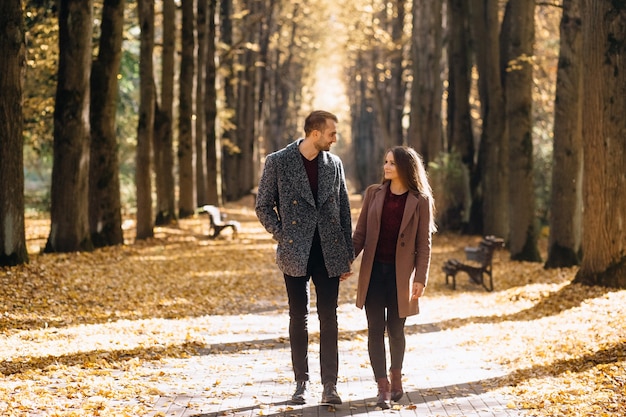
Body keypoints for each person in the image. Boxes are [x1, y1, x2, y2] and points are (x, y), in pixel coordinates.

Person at [255, 110, 354, 405]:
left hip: (329, 252)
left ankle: (330, 385)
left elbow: (344, 210)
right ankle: (301, 383)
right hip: (294, 252)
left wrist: (346, 255)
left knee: (330, 318)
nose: (335, 139)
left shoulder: (334, 164)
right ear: (314, 133)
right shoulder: (278, 162)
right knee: (299, 318)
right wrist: (283, 234)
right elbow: (263, 206)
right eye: (331, 134)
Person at [351, 146, 436, 409]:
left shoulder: (420, 200)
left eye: (392, 163)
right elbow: (361, 233)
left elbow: (424, 243)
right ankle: (382, 387)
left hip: (401, 277)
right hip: (374, 273)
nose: (386, 167)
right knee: (375, 330)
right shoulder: (373, 194)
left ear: (405, 168)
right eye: (385, 162)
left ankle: (396, 377)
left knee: (396, 331)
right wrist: (345, 262)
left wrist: (420, 278)